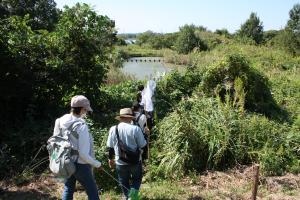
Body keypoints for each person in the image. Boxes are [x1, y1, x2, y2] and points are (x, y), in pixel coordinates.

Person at [53, 95, 101, 200]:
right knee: (92, 192)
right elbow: (83, 153)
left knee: (68, 189)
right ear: (82, 109)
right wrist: (96, 164)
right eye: (86, 110)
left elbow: (55, 142)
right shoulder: (81, 126)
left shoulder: (59, 121)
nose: (86, 112)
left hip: (65, 161)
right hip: (81, 165)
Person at [107, 108, 147, 199]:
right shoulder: (135, 129)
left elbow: (110, 147)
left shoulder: (113, 129)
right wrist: (145, 135)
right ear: (130, 118)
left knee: (123, 181)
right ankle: (132, 197)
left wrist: (110, 159)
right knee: (137, 179)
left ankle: (127, 196)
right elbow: (143, 145)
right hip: (135, 161)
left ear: (120, 118)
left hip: (120, 161)